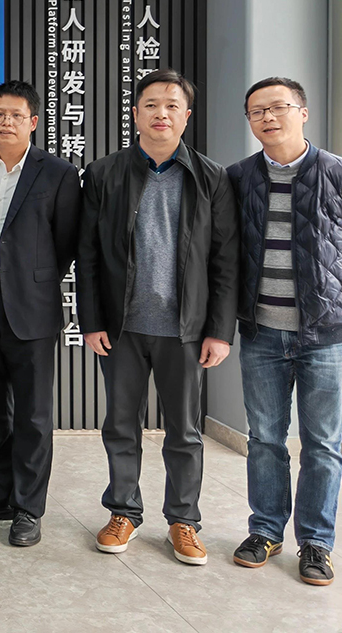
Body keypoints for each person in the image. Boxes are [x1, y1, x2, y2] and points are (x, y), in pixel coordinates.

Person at [77, 68, 238, 566]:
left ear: (186, 116)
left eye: (171, 105)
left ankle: (183, 521)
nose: (161, 113)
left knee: (184, 431)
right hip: (121, 327)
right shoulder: (104, 173)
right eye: (151, 104)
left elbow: (226, 260)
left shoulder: (212, 177)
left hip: (185, 330)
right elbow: (88, 253)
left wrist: (219, 331)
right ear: (135, 114)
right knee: (121, 425)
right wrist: (91, 320)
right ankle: (123, 511)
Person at [0, 80, 80, 547]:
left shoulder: (58, 173)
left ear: (34, 122)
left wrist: (30, 281)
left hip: (31, 305)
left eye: (16, 115)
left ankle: (28, 508)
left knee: (32, 413)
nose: (6, 122)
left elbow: (66, 242)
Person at [228, 77, 342, 587]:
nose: (268, 118)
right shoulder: (237, 177)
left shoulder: (336, 172)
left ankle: (316, 542)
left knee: (323, 443)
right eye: (257, 111)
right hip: (261, 333)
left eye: (278, 107)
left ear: (303, 112)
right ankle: (266, 530)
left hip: (325, 335)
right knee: (265, 439)